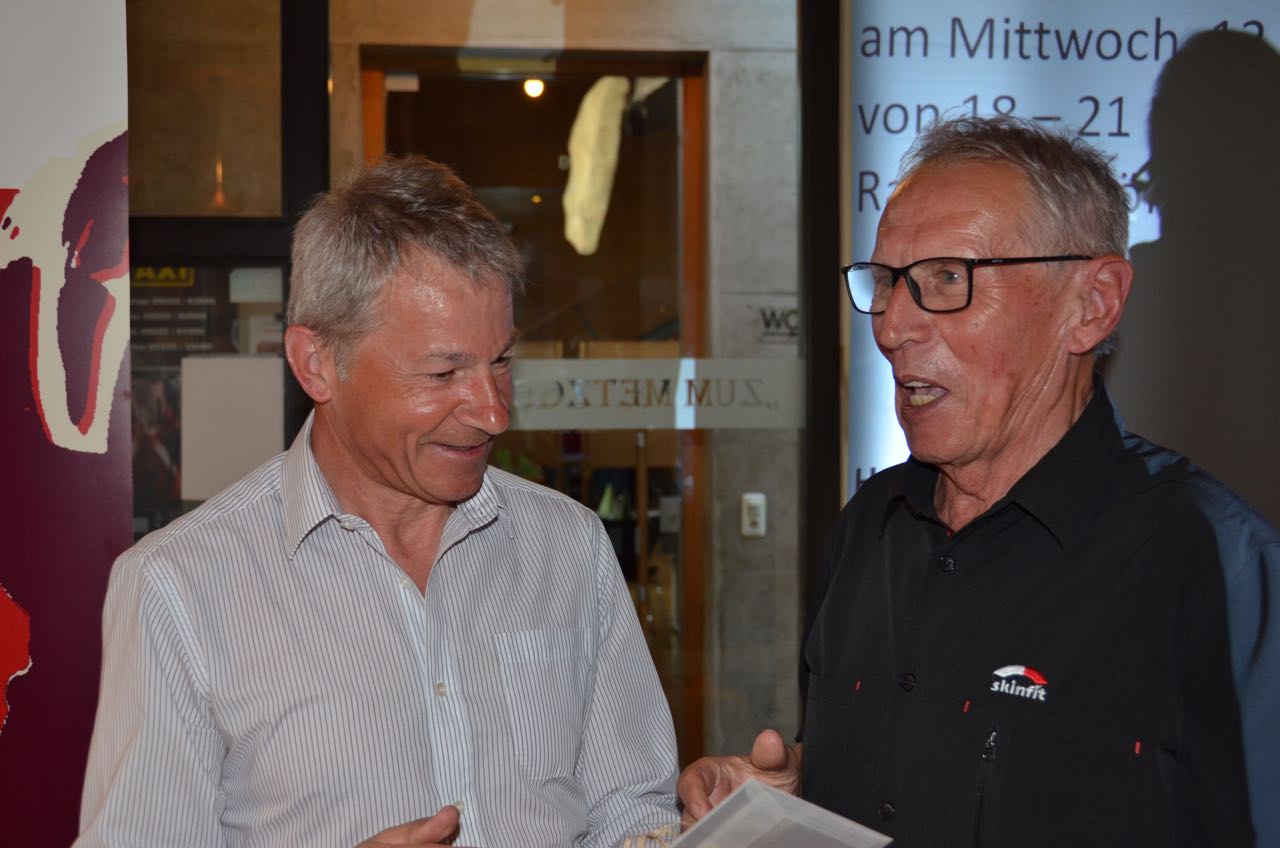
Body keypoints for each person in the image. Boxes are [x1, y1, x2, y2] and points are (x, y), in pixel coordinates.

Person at [678, 116, 1278, 847]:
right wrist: (792, 793)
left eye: (947, 279)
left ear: (1091, 305)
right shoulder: (871, 526)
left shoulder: (1213, 564)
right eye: (887, 282)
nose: (892, 327)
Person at [76, 157, 679, 847]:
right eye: (443, 372)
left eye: (501, 361)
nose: (493, 412)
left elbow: (630, 809)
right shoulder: (179, 585)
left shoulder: (569, 544)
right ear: (317, 364)